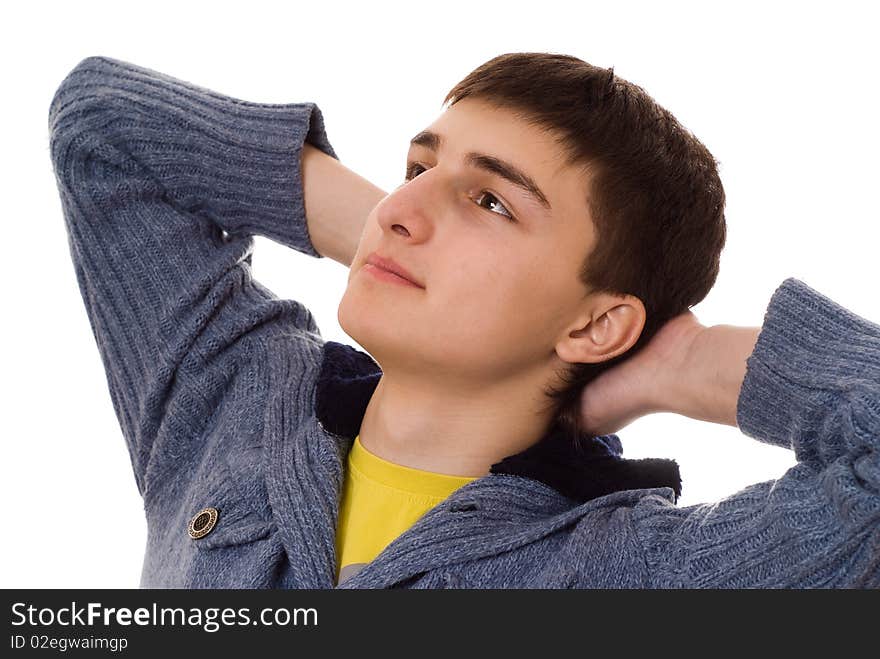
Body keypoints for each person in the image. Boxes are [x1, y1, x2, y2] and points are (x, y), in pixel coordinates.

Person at [47, 54, 879, 589]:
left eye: (489, 199)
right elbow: (101, 127)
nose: (405, 204)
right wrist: (386, 233)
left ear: (597, 326)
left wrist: (688, 362)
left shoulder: (643, 572)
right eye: (418, 165)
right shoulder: (232, 402)